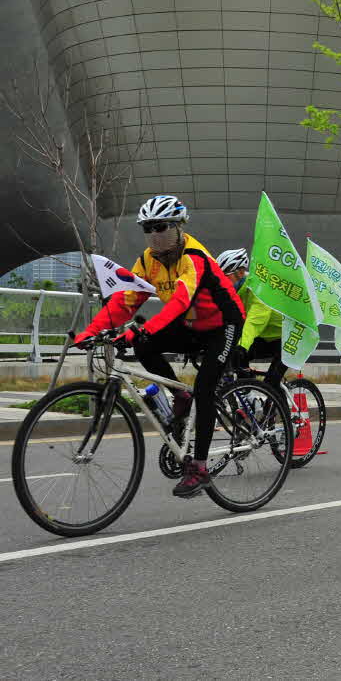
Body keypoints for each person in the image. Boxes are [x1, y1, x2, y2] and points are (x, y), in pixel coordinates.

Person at [74, 195, 244, 498]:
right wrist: (90, 331)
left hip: (223, 325)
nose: (154, 234)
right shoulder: (147, 261)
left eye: (161, 226)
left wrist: (144, 329)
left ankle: (200, 468)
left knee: (205, 388)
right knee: (144, 344)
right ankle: (180, 395)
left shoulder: (195, 257)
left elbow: (179, 302)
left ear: (178, 226)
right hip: (192, 325)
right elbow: (126, 301)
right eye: (148, 228)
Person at [217, 248, 286, 392]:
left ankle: (277, 403)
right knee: (237, 360)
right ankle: (247, 396)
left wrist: (241, 347)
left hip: (287, 338)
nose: (222, 282)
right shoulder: (233, 292)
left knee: (271, 384)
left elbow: (255, 321)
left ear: (240, 273)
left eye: (226, 277)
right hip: (265, 337)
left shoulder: (259, 287)